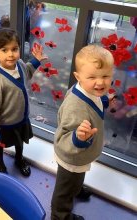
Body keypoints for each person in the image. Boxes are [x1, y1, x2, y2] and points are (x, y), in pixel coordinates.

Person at [51, 45, 114, 220]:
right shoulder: (76, 107)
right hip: (71, 157)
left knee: (77, 178)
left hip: (81, 156)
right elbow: (64, 138)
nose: (100, 82)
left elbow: (94, 103)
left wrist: (104, 101)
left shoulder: (88, 90)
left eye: (106, 76)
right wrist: (77, 138)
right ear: (78, 77)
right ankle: (60, 215)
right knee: (64, 190)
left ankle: (76, 189)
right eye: (92, 77)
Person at [0, 28, 47, 176]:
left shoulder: (19, 63)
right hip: (4, 123)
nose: (10, 54)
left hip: (21, 119)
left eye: (14, 49)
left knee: (20, 142)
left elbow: (27, 71)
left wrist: (36, 60)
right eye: (4, 50)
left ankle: (19, 159)